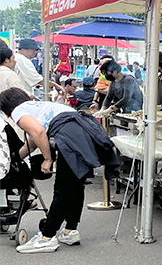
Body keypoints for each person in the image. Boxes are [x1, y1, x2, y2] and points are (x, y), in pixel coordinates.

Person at [0, 87, 120, 254]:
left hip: (69, 136)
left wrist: (47, 159)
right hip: (85, 130)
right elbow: (34, 140)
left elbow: (38, 133)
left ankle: (47, 237)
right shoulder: (38, 106)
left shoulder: (18, 111)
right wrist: (17, 158)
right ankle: (71, 230)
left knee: (62, 188)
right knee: (76, 184)